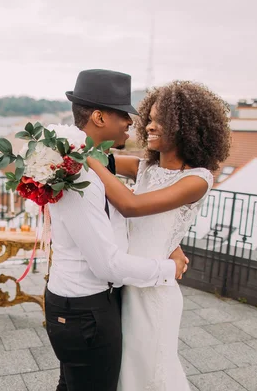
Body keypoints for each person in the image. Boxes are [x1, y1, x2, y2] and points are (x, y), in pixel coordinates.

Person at [45, 69, 190, 391]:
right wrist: (170, 267)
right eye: (125, 115)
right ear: (98, 117)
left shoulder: (92, 163)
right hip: (84, 308)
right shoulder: (76, 175)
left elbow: (146, 178)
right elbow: (107, 264)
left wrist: (169, 238)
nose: (131, 123)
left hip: (89, 302)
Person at [86, 80, 231, 390]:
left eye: (159, 120)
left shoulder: (198, 179)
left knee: (151, 373)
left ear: (185, 126)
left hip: (155, 293)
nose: (149, 126)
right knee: (128, 372)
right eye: (149, 119)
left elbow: (131, 205)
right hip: (127, 283)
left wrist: (89, 162)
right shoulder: (145, 169)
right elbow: (99, 157)